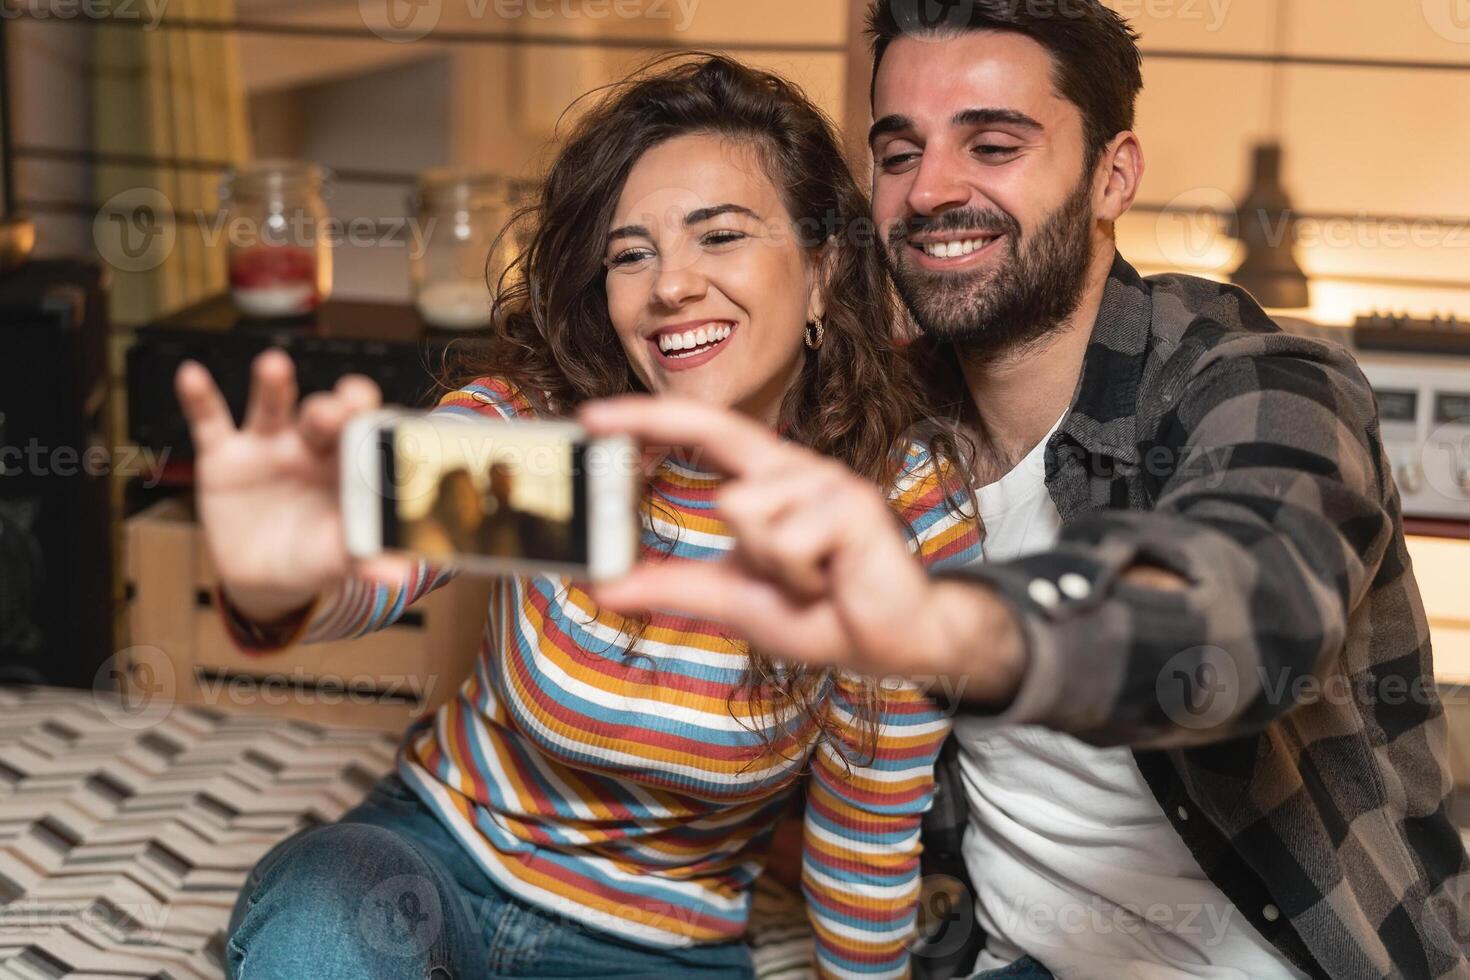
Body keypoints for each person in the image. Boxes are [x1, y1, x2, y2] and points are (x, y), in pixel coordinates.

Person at [582, 4, 1470, 979]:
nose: (931, 190)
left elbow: (1247, 615)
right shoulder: (879, 422)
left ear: (1112, 174)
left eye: (993, 143)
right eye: (898, 152)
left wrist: (949, 627)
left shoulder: (1257, 375)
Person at [178, 56, 981, 980]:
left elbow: (862, 830)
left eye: (719, 236)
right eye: (631, 253)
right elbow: (369, 562)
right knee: (323, 919)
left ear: (821, 271)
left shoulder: (896, 517)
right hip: (432, 863)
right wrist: (279, 580)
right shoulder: (557, 438)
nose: (669, 285)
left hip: (661, 950)